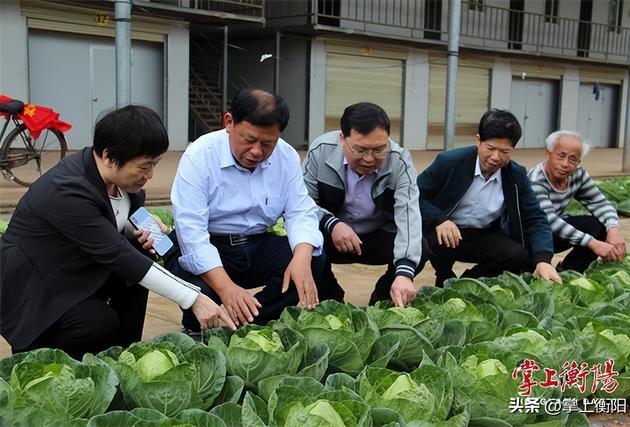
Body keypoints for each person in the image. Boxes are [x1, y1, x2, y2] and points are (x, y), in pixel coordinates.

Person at [0, 105, 234, 360]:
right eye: (144, 166)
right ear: (110, 157)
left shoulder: (125, 184)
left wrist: (137, 229)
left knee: (135, 268)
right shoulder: (67, 192)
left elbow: (114, 227)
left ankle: (122, 358)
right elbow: (119, 255)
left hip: (75, 269)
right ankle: (38, 354)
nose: (150, 175)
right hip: (36, 287)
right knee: (98, 322)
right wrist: (193, 298)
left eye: (154, 164)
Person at [164, 88, 334, 330]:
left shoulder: (285, 156)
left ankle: (250, 321)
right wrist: (226, 288)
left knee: (312, 259)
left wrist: (302, 256)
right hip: (210, 244)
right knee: (200, 290)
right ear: (229, 122)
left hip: (255, 244)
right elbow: (192, 234)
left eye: (268, 143)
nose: (257, 151)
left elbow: (300, 211)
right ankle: (197, 326)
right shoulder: (200, 156)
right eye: (249, 140)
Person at [302, 102, 429, 307]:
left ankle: (382, 297)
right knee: (301, 244)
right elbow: (302, 202)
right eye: (360, 150)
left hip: (377, 236)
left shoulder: (399, 161)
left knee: (420, 247)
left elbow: (409, 215)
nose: (369, 159)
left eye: (379, 149)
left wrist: (405, 273)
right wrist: (331, 223)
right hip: (332, 237)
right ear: (342, 138)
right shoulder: (320, 150)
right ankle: (330, 298)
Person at [417, 108, 562, 287]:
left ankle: (470, 282)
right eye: (491, 148)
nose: (495, 157)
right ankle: (444, 275)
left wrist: (543, 259)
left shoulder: (515, 175)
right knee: (439, 241)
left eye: (505, 151)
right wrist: (439, 219)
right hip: (443, 232)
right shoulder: (449, 163)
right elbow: (416, 196)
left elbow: (535, 217)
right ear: (478, 140)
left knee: (517, 255)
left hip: (481, 235)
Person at [528, 130, 625, 272]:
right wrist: (593, 243)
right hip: (530, 235)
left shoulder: (578, 175)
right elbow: (549, 220)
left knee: (598, 226)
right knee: (528, 270)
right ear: (548, 154)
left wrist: (613, 229)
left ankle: (569, 271)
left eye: (572, 159)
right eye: (560, 156)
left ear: (578, 162)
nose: (565, 164)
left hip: (551, 233)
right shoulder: (536, 180)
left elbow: (600, 203)